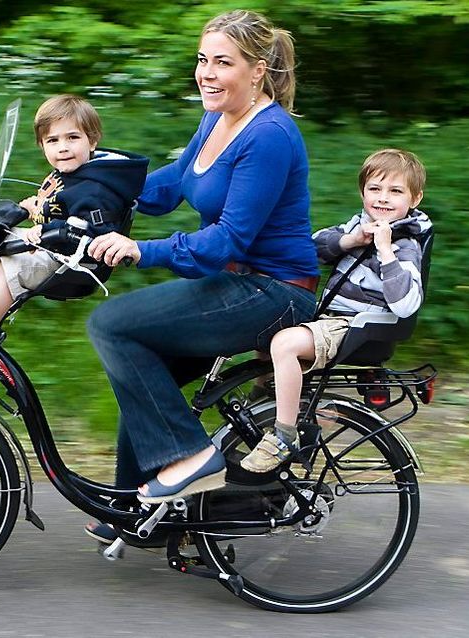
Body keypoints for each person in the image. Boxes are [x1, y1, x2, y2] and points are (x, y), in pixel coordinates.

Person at [85, 9, 319, 523]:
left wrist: (139, 250)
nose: (206, 74)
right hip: (239, 286)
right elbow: (173, 185)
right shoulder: (218, 116)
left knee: (109, 324)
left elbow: (224, 241)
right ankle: (136, 508)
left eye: (222, 63)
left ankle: (194, 458)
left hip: (275, 294)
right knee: (144, 374)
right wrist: (92, 185)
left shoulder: (269, 135)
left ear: (257, 70)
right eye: (201, 60)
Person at [241, 148, 432, 472]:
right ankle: (268, 400)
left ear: (414, 198)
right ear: (362, 192)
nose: (383, 198)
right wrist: (351, 240)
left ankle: (283, 435)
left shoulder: (404, 246)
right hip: (327, 318)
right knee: (262, 319)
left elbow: (406, 304)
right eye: (375, 189)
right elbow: (308, 249)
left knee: (284, 345)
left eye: (395, 191)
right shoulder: (359, 226)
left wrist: (385, 252)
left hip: (354, 325)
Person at [0, 95, 148, 347]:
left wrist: (46, 229)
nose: (63, 147)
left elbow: (91, 230)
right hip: (56, 250)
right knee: (3, 238)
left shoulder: (96, 188)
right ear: (42, 146)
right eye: (53, 140)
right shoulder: (72, 173)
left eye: (73, 137)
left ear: (92, 140)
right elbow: (57, 204)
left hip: (74, 262)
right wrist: (31, 207)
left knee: (13, 261)